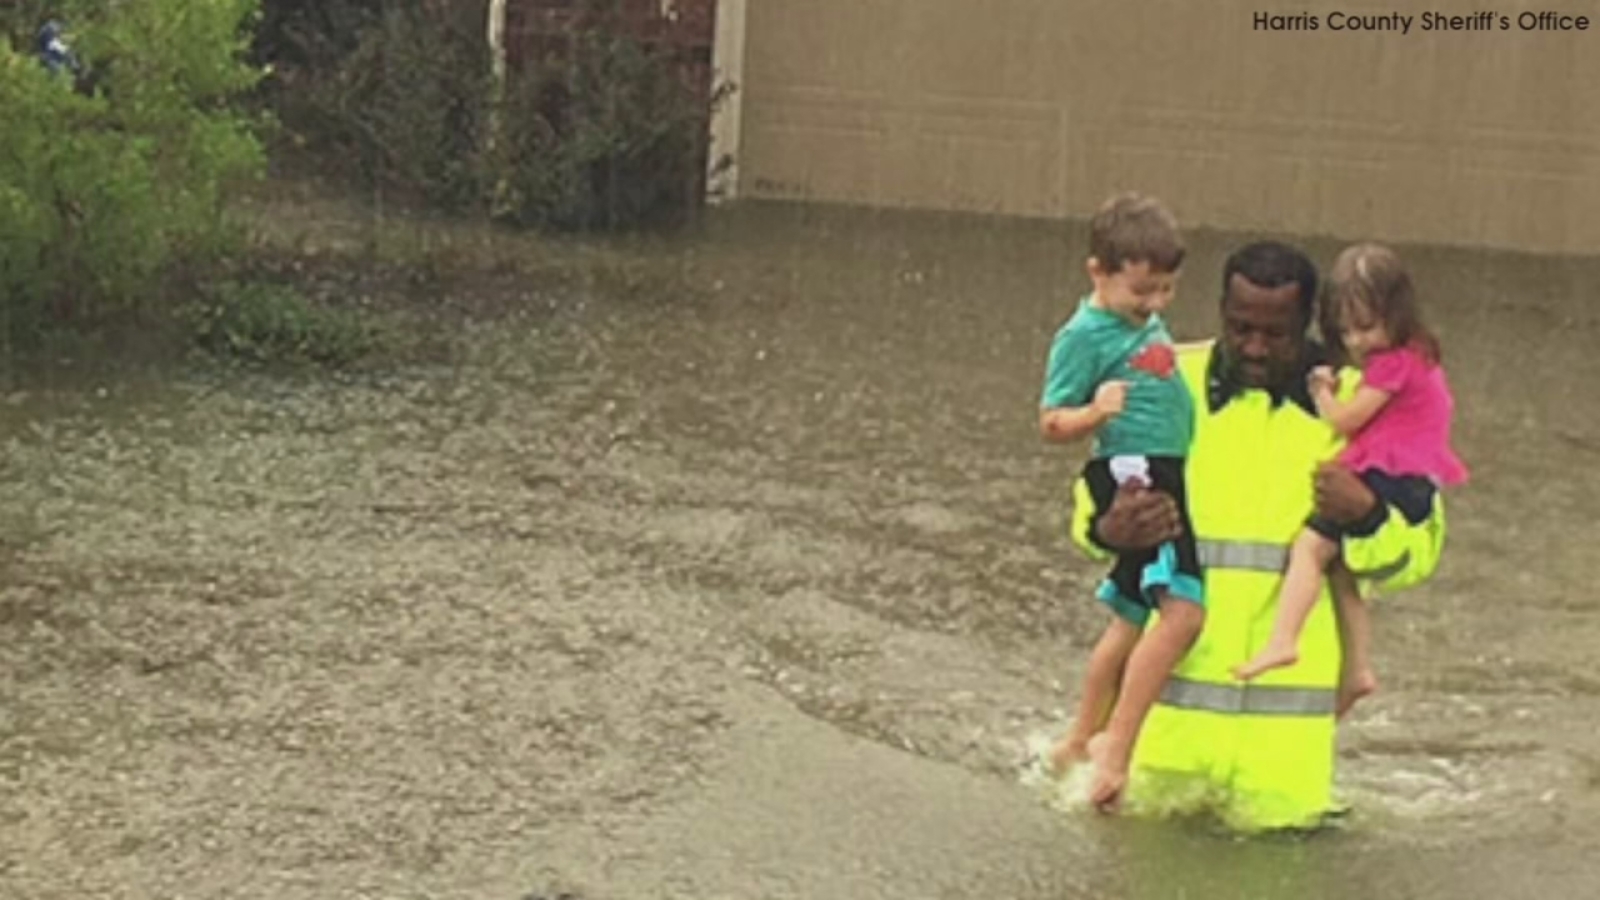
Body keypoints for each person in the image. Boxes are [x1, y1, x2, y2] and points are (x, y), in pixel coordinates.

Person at [1065, 240, 1448, 829]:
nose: (1255, 347)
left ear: (1312, 322)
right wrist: (1109, 527)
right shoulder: (1168, 382)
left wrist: (1367, 514)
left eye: (1277, 333)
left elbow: (1415, 556)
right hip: (1158, 759)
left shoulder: (1361, 405)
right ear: (1220, 309)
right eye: (1241, 328)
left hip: (1282, 777)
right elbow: (1095, 503)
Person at [1232, 244, 1467, 713]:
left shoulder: (1393, 365)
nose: (1357, 342)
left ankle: (1284, 638)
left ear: (1397, 314)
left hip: (1392, 476)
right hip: (1408, 471)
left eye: (1366, 327)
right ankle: (1358, 668)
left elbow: (1343, 422)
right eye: (1345, 330)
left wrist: (1321, 392)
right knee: (1341, 569)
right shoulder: (1417, 356)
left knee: (1310, 547)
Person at [1036, 192, 1202, 805]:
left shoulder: (1137, 322)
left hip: (1164, 467)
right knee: (1182, 611)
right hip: (1135, 476)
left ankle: (1079, 737)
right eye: (1142, 292)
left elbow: (1157, 363)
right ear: (1097, 274)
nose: (1154, 305)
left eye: (1166, 291)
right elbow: (1049, 421)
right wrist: (1094, 413)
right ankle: (1113, 746)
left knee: (1130, 616)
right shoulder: (1081, 335)